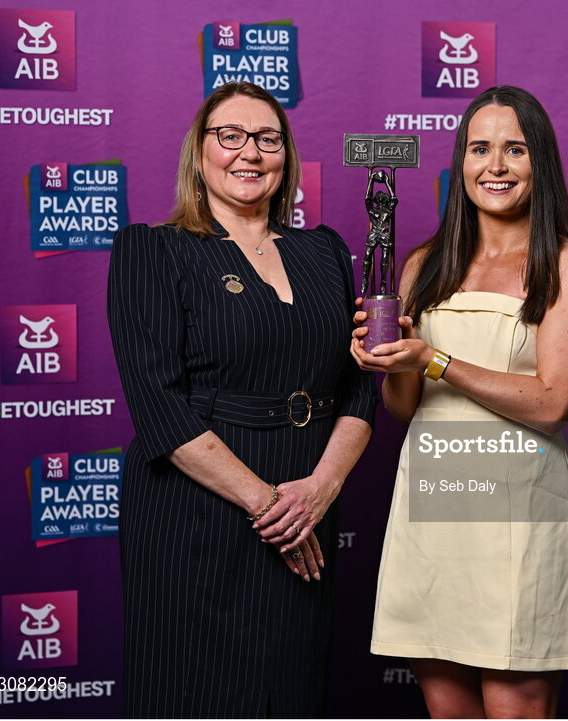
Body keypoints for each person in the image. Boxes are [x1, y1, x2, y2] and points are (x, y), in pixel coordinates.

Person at [107, 81, 375, 718]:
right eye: (229, 136)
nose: (249, 152)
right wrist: (267, 505)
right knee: (194, 689)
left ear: (286, 156)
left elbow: (361, 384)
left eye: (267, 138)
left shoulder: (327, 252)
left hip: (306, 501)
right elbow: (157, 403)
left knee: (291, 687)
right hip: (197, 509)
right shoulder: (153, 249)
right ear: (199, 153)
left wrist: (320, 489)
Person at [351, 86, 568, 718]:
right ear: (460, 161)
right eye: (480, 148)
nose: (495, 165)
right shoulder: (422, 265)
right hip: (435, 515)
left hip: (517, 516)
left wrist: (433, 359)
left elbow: (552, 403)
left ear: (539, 162)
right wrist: (388, 362)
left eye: (514, 149)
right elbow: (408, 408)